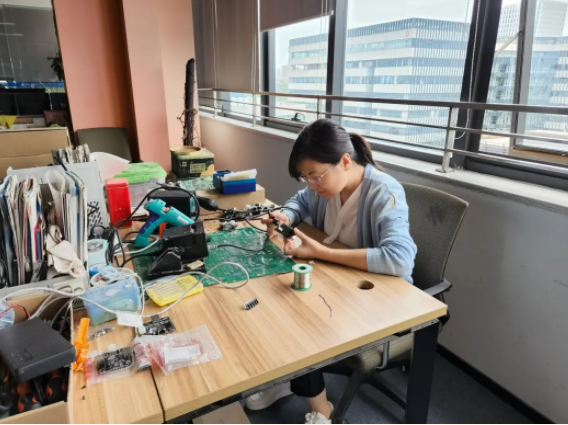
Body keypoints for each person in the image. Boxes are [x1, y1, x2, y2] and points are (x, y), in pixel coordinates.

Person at [245, 118, 417, 424]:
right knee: (274, 299)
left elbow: (401, 259)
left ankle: (322, 411)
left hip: (380, 301)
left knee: (298, 320)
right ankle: (285, 378)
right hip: (339, 282)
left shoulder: (383, 192)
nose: (311, 185)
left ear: (345, 162)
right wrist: (285, 216)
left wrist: (321, 253)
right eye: (306, 178)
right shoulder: (324, 187)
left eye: (315, 176)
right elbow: (300, 201)